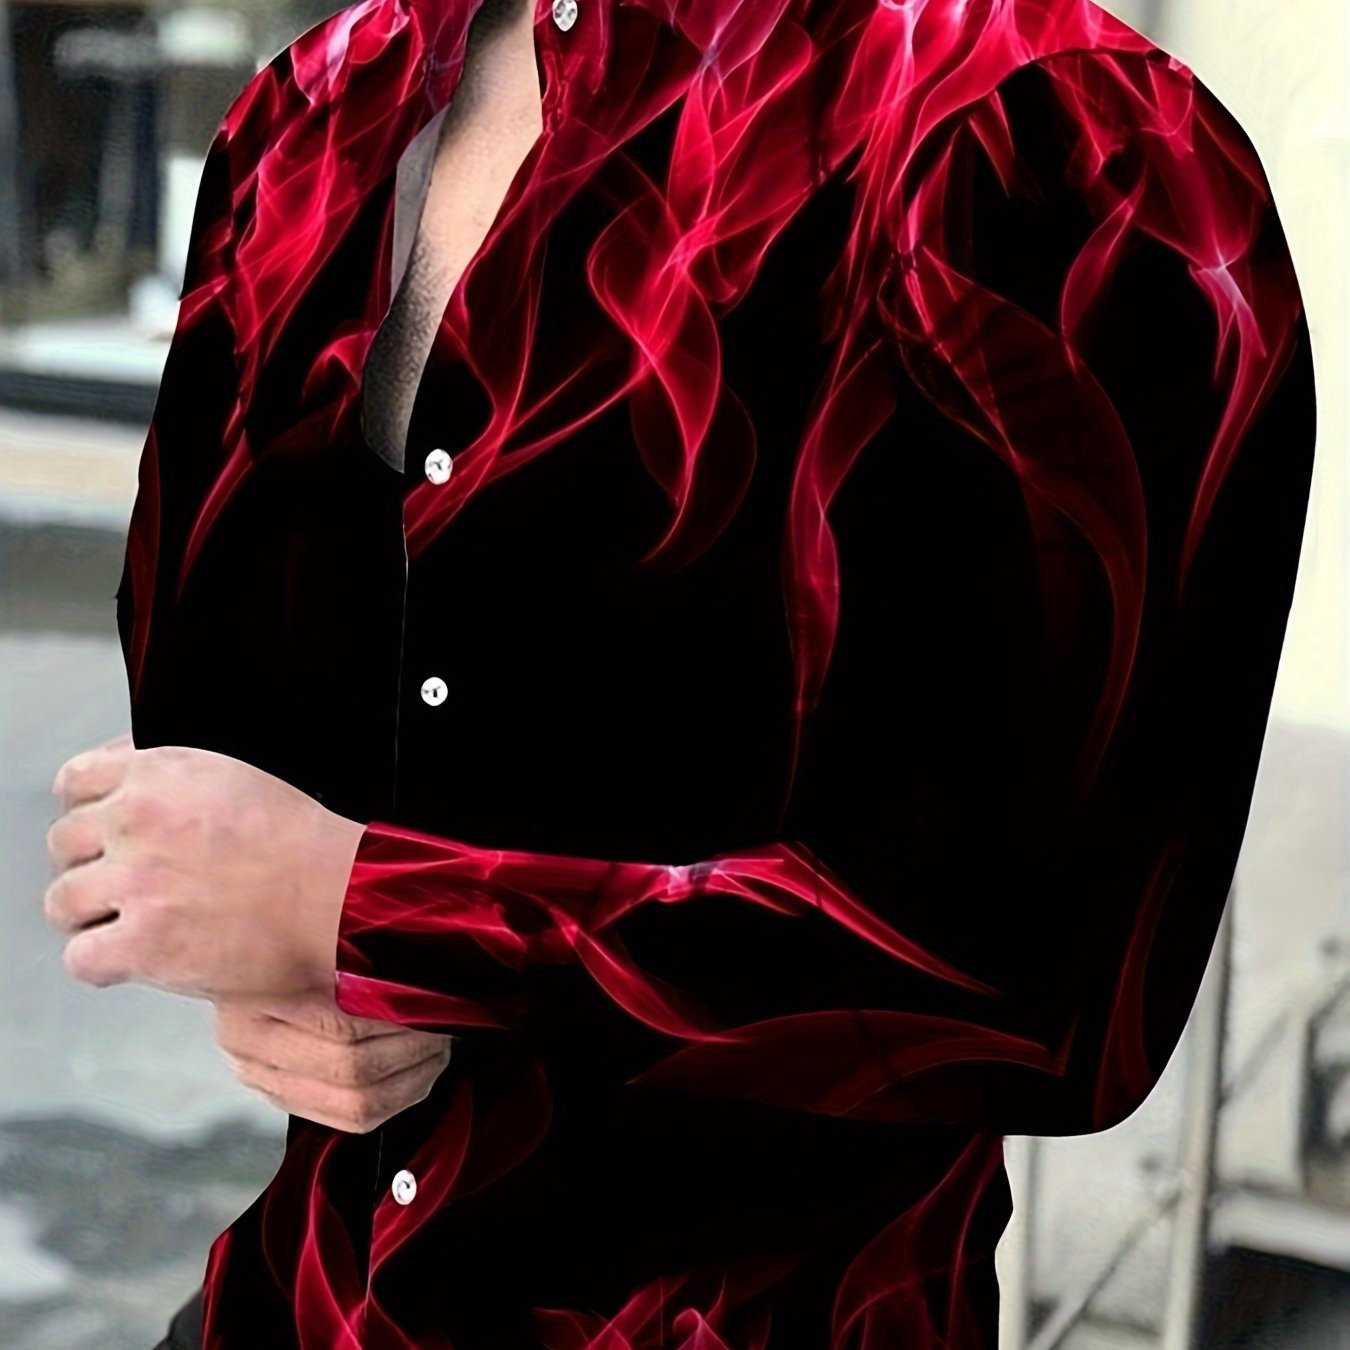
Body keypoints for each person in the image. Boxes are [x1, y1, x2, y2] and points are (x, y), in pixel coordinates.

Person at [43, 0, 1316, 1344]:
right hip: (311, 1294)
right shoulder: (309, 114)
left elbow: (1053, 984)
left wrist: (362, 911)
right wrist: (279, 954)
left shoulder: (1061, 136)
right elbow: (218, 752)